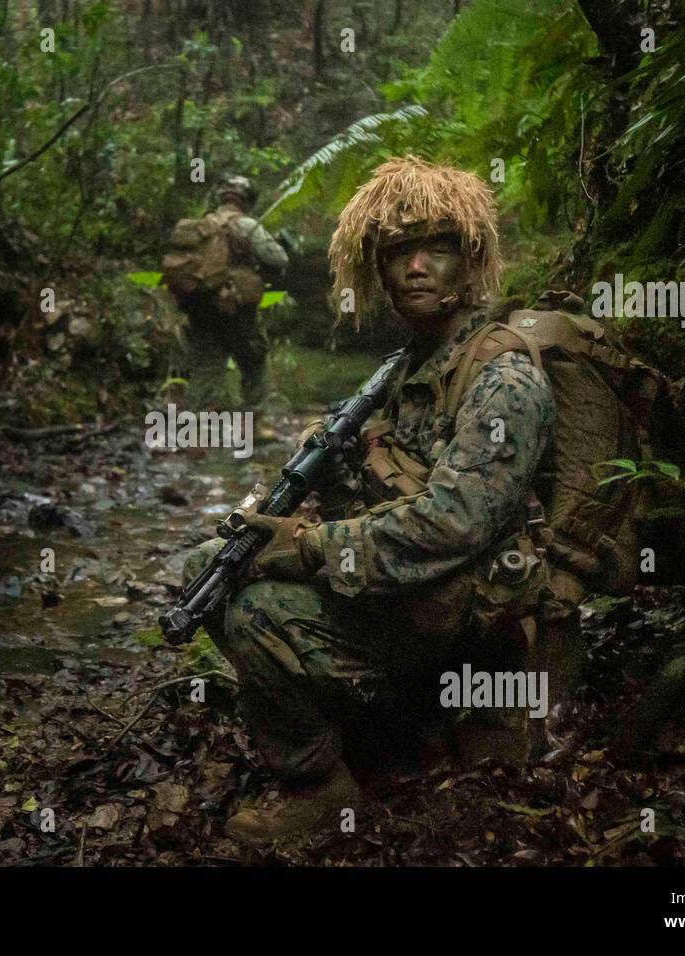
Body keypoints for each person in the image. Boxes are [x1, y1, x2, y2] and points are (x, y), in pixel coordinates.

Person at [181, 156, 565, 845]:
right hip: (409, 599)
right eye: (397, 251)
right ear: (378, 269)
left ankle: (320, 788)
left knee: (260, 606)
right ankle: (389, 725)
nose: (416, 266)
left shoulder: (503, 377)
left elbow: (457, 521)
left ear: (470, 258)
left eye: (437, 247)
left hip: (467, 618)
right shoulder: (405, 369)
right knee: (214, 565)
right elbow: (381, 494)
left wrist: (307, 549)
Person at [163, 175, 288, 406]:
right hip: (234, 310)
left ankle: (196, 432)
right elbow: (279, 260)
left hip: (199, 307)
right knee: (254, 363)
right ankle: (252, 426)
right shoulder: (247, 225)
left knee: (206, 368)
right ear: (247, 200)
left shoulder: (203, 225)